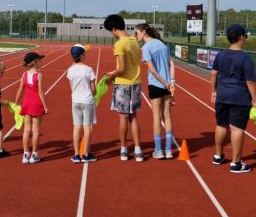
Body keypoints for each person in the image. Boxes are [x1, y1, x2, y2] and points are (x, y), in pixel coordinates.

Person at [210, 24, 256, 174]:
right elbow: (250, 81)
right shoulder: (246, 58)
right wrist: (255, 101)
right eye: (245, 35)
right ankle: (236, 163)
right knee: (237, 128)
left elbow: (213, 74)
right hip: (240, 97)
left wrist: (214, 91)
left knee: (221, 125)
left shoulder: (221, 54)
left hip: (222, 95)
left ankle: (218, 155)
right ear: (241, 37)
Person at [103, 14, 144, 162]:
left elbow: (121, 69)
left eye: (110, 31)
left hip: (123, 83)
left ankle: (124, 149)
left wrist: (110, 76)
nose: (112, 34)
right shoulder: (134, 40)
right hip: (136, 83)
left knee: (123, 117)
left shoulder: (120, 44)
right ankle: (138, 149)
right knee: (133, 117)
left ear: (114, 28)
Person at [136, 23, 176, 160]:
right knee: (168, 116)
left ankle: (159, 150)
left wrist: (164, 83)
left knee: (156, 117)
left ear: (143, 32)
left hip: (156, 84)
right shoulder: (162, 44)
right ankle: (169, 150)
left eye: (137, 33)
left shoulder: (146, 47)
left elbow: (152, 70)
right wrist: (171, 82)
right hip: (167, 85)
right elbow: (172, 63)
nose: (136, 36)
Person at [15, 52, 49, 164]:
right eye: (40, 60)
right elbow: (40, 91)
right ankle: (34, 154)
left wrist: (16, 102)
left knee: (26, 130)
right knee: (36, 131)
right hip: (36, 104)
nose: (42, 62)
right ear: (35, 62)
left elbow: (20, 89)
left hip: (27, 103)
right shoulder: (39, 75)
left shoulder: (24, 75)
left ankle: (25, 154)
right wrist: (45, 106)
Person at [67, 44, 97, 163]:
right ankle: (85, 154)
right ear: (81, 55)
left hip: (75, 100)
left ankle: (75, 154)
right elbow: (93, 89)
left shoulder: (70, 70)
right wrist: (94, 93)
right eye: (85, 53)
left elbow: (71, 88)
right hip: (87, 100)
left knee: (76, 126)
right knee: (87, 127)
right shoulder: (89, 69)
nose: (86, 55)